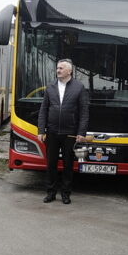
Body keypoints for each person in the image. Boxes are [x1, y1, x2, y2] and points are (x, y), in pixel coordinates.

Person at [38, 59, 89, 204]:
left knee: (68, 165)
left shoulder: (79, 87)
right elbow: (43, 110)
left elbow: (84, 112)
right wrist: (41, 130)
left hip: (70, 133)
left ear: (69, 71)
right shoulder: (50, 87)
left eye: (61, 68)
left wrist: (81, 132)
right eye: (57, 68)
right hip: (52, 132)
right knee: (51, 164)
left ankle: (65, 194)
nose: (58, 70)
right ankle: (50, 192)